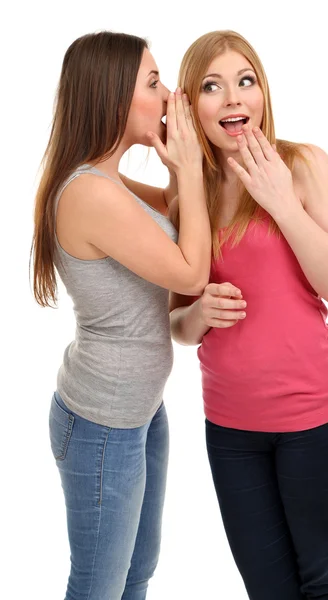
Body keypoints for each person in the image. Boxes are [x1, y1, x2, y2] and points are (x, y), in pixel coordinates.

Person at [170, 30, 328, 600]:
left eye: (245, 81)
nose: (233, 98)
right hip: (231, 434)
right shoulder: (190, 196)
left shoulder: (303, 165)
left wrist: (282, 202)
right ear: (189, 105)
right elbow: (176, 326)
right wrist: (199, 313)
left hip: (318, 426)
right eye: (212, 86)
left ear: (263, 92)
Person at [31, 31, 210, 600]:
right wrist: (191, 169)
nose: (170, 94)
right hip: (102, 427)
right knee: (99, 589)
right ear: (113, 97)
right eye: (153, 83)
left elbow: (177, 213)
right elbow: (191, 272)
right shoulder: (88, 192)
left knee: (137, 573)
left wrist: (180, 169)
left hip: (138, 413)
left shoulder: (104, 179)